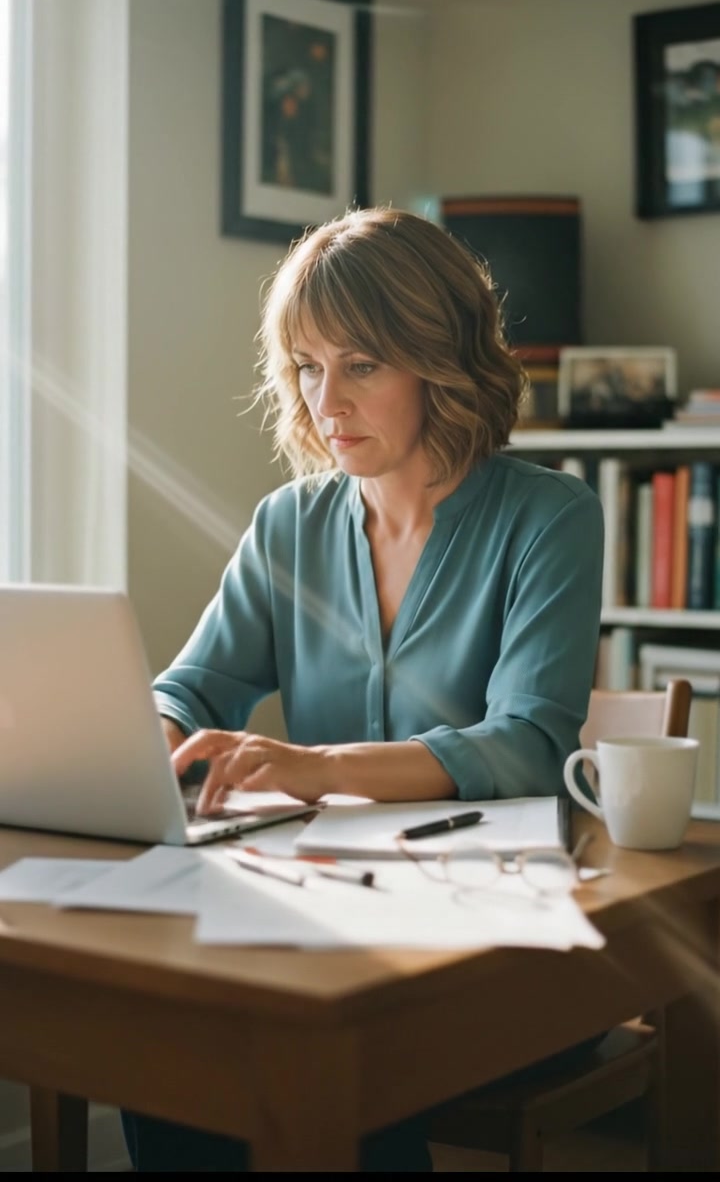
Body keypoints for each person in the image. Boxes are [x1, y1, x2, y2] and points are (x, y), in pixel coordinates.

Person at [121, 205, 604, 1172]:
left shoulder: (550, 518)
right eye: (307, 364)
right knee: (165, 1039)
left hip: (496, 938)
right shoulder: (287, 526)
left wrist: (313, 767)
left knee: (333, 1038)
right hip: (319, 915)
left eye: (362, 364)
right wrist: (138, 739)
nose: (323, 400)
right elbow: (197, 685)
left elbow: (527, 745)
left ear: (440, 358)